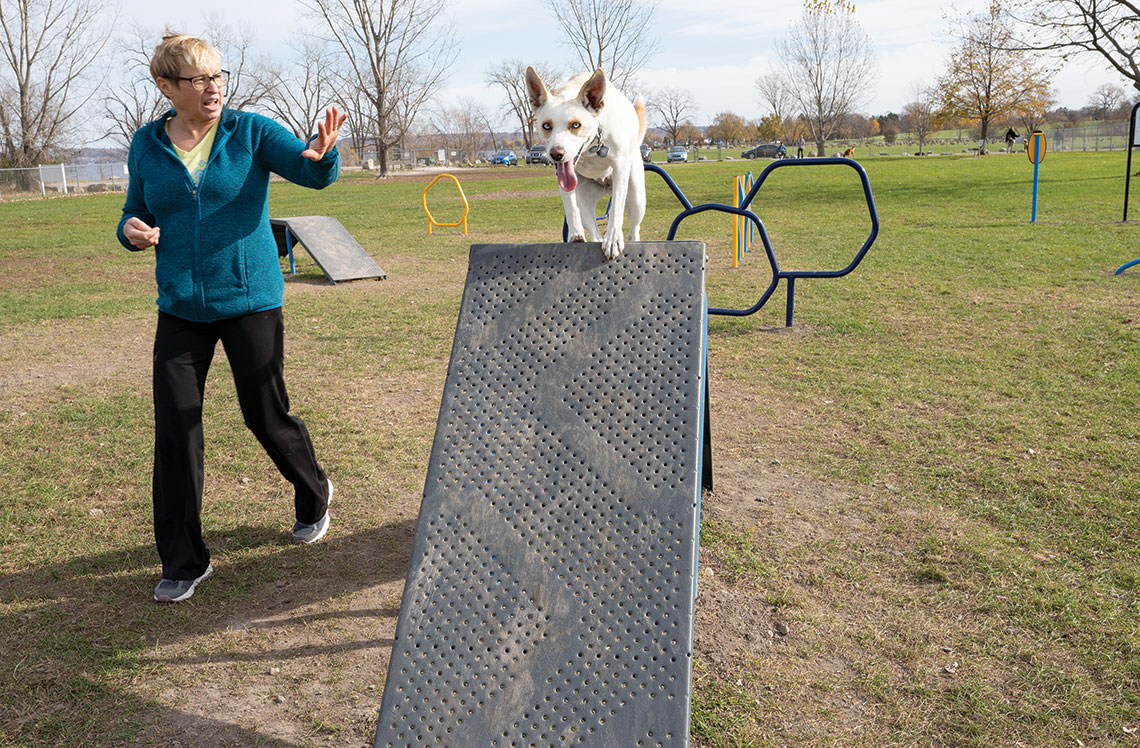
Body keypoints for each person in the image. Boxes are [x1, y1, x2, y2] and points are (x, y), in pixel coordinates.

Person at [116, 32, 348, 603]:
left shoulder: (250, 131)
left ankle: (314, 489)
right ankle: (183, 559)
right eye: (199, 79)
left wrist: (322, 154)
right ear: (167, 87)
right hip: (180, 308)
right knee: (176, 428)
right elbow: (133, 211)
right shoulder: (146, 145)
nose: (214, 87)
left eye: (219, 76)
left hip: (250, 301)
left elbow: (311, 170)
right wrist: (131, 231)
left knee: (266, 417)